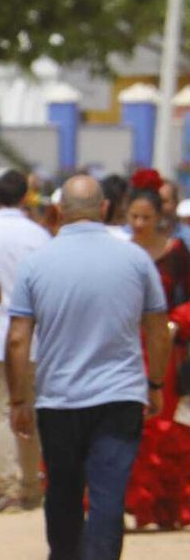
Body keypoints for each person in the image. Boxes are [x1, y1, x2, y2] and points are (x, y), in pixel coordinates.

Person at [7, 175, 170, 560]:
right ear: (104, 210)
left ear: (58, 211)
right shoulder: (135, 259)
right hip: (119, 395)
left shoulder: (38, 263)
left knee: (62, 490)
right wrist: (155, 384)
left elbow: (19, 338)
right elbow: (157, 328)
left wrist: (19, 399)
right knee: (108, 495)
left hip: (58, 399)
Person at [0, 169, 51, 512]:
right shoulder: (40, 236)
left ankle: (7, 482)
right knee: (29, 408)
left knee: (0, 410)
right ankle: (31, 483)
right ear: (24, 197)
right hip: (32, 337)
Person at [121, 186, 190, 529]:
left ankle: (162, 507)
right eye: (133, 216)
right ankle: (128, 502)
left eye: (145, 217)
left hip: (163, 349)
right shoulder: (120, 251)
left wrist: (177, 322)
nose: (139, 223)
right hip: (125, 347)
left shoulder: (177, 252)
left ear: (158, 218)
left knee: (162, 426)